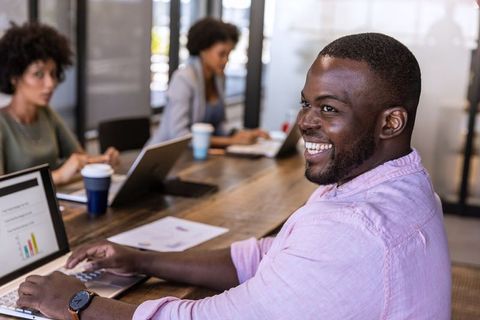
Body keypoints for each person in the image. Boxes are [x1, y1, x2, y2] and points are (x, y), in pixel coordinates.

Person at [16, 33, 451, 319]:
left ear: (390, 123)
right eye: (306, 104)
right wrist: (141, 258)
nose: (305, 122)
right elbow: (269, 254)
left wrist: (76, 302)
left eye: (329, 108)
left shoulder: (352, 229)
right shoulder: (400, 186)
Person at [0, 22, 119, 185]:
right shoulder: (2, 123)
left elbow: (79, 159)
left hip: (59, 204)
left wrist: (103, 161)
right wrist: (59, 176)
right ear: (14, 77)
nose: (50, 84)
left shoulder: (46, 113)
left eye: (53, 73)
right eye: (38, 74)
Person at [149, 17, 267, 148]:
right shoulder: (183, 78)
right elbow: (179, 136)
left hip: (199, 157)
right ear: (204, 50)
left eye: (228, 55)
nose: (225, 60)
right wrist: (231, 141)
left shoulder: (218, 78)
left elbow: (219, 124)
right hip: (168, 158)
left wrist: (240, 134)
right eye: (221, 54)